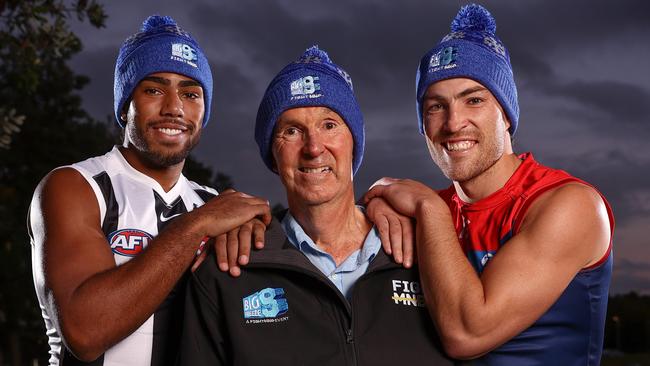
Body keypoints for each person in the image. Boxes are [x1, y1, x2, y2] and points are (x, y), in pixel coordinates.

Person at [363, 4, 614, 365]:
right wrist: (376, 198)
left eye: (474, 100)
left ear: (506, 115)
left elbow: (467, 334)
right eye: (436, 106)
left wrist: (427, 208)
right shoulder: (426, 207)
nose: (453, 123)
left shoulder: (568, 204)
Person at [178, 46, 452, 365]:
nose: (313, 147)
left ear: (354, 142)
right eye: (292, 131)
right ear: (273, 156)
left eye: (329, 125)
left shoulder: (425, 255)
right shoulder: (228, 269)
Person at [28, 15, 270, 366]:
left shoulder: (214, 205)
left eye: (190, 93)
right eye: (154, 90)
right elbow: (85, 333)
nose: (174, 108)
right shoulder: (75, 185)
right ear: (126, 105)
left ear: (203, 112)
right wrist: (196, 225)